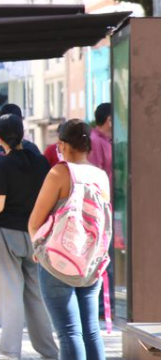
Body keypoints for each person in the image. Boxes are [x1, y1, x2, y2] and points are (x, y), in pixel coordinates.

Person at [30, 119, 111, 360]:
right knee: (90, 331)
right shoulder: (100, 176)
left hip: (58, 261)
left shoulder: (59, 172)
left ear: (63, 145)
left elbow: (36, 220)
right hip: (91, 263)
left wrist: (38, 248)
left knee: (68, 332)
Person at [0, 114, 59, 360]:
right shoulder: (39, 162)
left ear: (0, 139)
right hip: (36, 233)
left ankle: (9, 351)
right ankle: (48, 350)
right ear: (23, 134)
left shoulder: (3, 166)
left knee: (10, 293)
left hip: (7, 232)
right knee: (36, 294)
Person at [0, 103, 40, 323]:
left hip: (2, 225)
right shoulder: (35, 154)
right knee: (33, 280)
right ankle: (45, 342)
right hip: (32, 225)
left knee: (1, 268)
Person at [86, 103, 115, 317]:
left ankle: (106, 306)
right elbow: (95, 179)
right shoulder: (97, 142)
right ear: (109, 120)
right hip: (101, 211)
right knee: (104, 257)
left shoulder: (106, 142)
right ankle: (102, 307)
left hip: (109, 209)